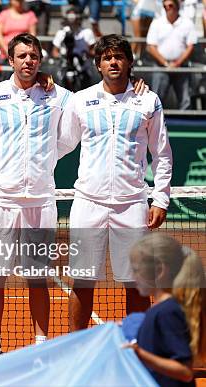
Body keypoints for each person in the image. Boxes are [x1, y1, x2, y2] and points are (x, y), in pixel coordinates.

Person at [0, 33, 73, 359]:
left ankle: (41, 345)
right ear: (10, 60)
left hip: (40, 200)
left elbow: (68, 138)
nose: (28, 61)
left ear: (40, 61)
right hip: (1, 199)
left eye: (34, 56)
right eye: (22, 56)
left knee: (38, 277)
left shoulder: (59, 97)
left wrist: (45, 163)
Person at [59, 34, 173, 332]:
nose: (113, 62)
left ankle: (137, 349)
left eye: (119, 56)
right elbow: (62, 144)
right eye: (107, 57)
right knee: (82, 280)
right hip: (88, 203)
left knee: (136, 283)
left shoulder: (148, 100)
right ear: (98, 64)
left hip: (132, 204)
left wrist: (160, 199)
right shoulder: (80, 100)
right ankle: (77, 347)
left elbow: (161, 152)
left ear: (129, 62)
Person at [127, 233, 205, 386]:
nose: (132, 276)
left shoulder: (167, 313)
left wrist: (140, 354)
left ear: (159, 271)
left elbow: (185, 371)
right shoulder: (164, 310)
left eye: (137, 270)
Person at [146, 0, 197, 110]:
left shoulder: (187, 23)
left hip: (182, 67)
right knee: (156, 101)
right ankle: (155, 126)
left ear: (177, 7)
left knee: (185, 101)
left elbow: (190, 46)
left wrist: (177, 64)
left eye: (170, 5)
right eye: (165, 6)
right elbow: (151, 46)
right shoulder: (157, 22)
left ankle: (186, 125)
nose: (167, 8)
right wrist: (165, 63)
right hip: (160, 67)